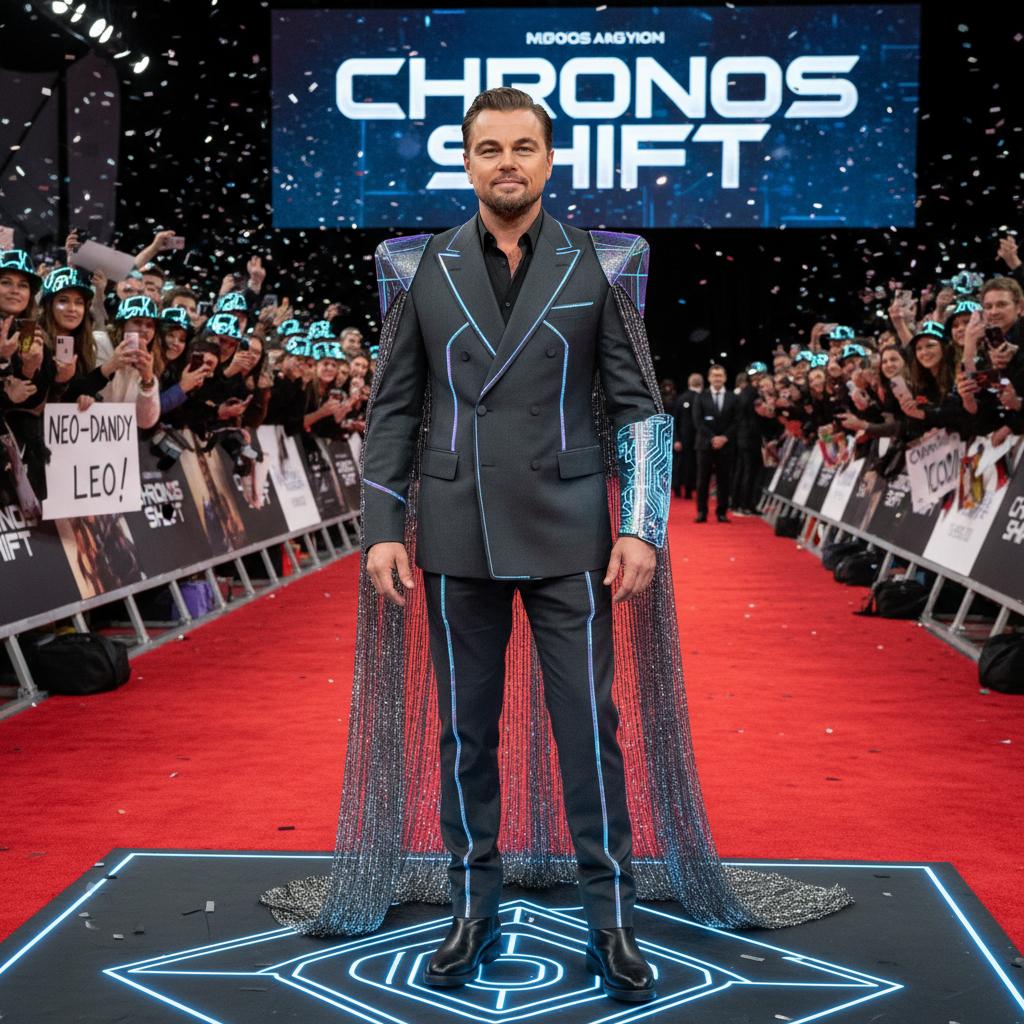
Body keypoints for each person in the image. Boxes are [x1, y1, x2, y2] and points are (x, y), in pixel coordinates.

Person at [260, 86, 852, 997]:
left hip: (572, 532)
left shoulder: (599, 263)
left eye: (524, 147)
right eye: (490, 148)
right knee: (465, 736)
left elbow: (639, 409)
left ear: (548, 159)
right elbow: (395, 409)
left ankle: (610, 919)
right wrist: (381, 529)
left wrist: (642, 527)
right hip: (453, 530)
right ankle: (472, 910)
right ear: (466, 162)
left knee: (590, 732)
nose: (508, 162)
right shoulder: (421, 267)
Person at [693, 364, 737, 523]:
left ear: (725, 378)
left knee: (724, 479)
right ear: (709, 378)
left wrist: (724, 438)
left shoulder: (733, 397)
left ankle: (722, 512)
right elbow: (697, 421)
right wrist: (713, 438)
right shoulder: (700, 397)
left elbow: (737, 420)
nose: (717, 378)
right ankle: (701, 511)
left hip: (726, 445)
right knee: (702, 479)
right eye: (714, 375)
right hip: (705, 444)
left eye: (720, 375)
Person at [671, 371, 702, 498]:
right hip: (694, 438)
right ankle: (685, 488)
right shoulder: (699, 398)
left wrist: (676, 439)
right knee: (689, 464)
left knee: (683, 464)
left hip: (688, 438)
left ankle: (680, 488)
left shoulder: (682, 398)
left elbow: (675, 420)